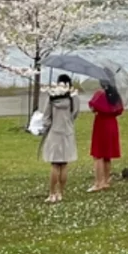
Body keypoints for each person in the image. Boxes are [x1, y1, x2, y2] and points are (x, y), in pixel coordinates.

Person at [39, 74, 79, 202]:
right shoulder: (73, 96)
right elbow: (75, 112)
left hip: (55, 131)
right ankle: (60, 192)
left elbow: (46, 115)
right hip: (67, 132)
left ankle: (51, 193)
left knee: (55, 164)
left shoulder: (51, 97)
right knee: (64, 164)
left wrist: (46, 127)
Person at [86, 82, 124, 192]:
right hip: (112, 124)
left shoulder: (100, 94)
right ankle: (106, 181)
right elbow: (119, 110)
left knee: (98, 155)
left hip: (101, 124)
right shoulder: (116, 95)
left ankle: (98, 183)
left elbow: (93, 108)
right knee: (107, 155)